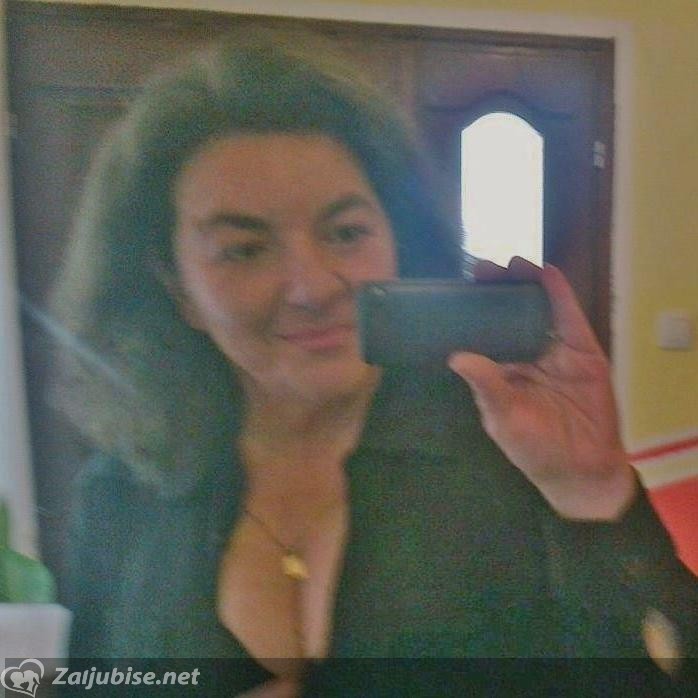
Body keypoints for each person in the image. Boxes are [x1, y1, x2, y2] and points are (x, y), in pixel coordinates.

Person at [53, 31, 697, 696]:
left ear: (397, 241)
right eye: (245, 249)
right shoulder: (121, 496)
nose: (312, 287)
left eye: (346, 233)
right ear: (177, 287)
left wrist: (595, 493)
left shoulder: (513, 456)